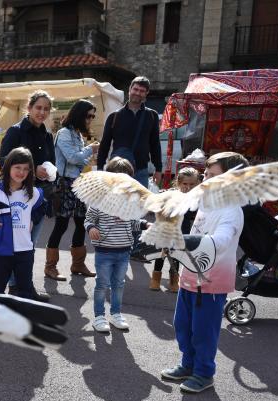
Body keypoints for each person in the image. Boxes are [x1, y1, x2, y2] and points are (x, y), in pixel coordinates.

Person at [160, 152, 247, 393]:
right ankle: (188, 365)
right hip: (189, 279)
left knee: (203, 332)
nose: (205, 180)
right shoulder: (207, 205)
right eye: (205, 174)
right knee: (182, 326)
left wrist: (183, 241)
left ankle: (204, 373)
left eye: (211, 175)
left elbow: (219, 240)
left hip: (211, 285)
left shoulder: (231, 211)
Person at [97, 76, 162, 262]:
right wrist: (101, 167)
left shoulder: (150, 116)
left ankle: (133, 248)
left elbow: (155, 143)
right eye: (135, 89)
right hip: (116, 172)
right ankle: (112, 242)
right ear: (129, 90)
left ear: (146, 94)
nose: (138, 93)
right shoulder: (115, 116)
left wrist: (158, 167)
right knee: (115, 207)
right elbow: (104, 144)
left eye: (142, 91)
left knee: (137, 209)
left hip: (141, 169)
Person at [0, 147, 48, 301]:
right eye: (17, 167)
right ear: (8, 167)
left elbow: (44, 205)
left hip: (25, 250)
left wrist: (33, 218)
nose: (21, 172)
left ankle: (24, 320)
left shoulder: (33, 192)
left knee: (25, 290)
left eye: (26, 169)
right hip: (1, 251)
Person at [0, 90, 56, 291]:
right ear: (29, 108)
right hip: (17, 197)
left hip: (38, 198)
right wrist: (33, 170)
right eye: (38, 107)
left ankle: (24, 285)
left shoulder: (48, 135)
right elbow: (3, 161)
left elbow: (52, 163)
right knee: (18, 244)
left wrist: (49, 171)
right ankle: (16, 287)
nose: (42, 112)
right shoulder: (16, 131)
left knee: (30, 244)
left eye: (46, 109)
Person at [84, 157, 149, 333]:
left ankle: (116, 314)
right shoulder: (99, 200)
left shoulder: (130, 202)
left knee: (118, 284)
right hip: (104, 251)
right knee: (102, 284)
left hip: (124, 251)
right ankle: (99, 317)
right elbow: (88, 219)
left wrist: (144, 224)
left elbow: (133, 223)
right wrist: (91, 228)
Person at [45, 99, 99, 280]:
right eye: (89, 115)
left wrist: (84, 154)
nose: (91, 119)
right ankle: (50, 267)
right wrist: (90, 149)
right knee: (61, 225)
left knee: (81, 222)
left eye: (93, 116)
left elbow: (80, 161)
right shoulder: (65, 133)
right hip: (64, 183)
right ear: (79, 114)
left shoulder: (76, 134)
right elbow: (74, 158)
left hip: (76, 183)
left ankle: (77, 264)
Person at [149, 167, 202, 292]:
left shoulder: (196, 199)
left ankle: (174, 280)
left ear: (197, 184)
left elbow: (195, 215)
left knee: (176, 256)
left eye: (192, 184)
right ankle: (155, 279)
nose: (188, 187)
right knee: (160, 255)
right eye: (185, 184)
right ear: (178, 183)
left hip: (182, 232)